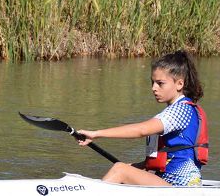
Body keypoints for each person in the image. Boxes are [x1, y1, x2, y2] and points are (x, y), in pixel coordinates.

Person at [76, 51, 209, 187]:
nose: (153, 88)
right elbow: (154, 163)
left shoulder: (181, 110)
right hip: (167, 181)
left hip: (180, 186)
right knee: (122, 168)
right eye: (153, 82)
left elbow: (142, 130)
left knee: (120, 170)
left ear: (179, 84)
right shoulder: (175, 110)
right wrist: (133, 167)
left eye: (160, 83)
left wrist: (96, 134)